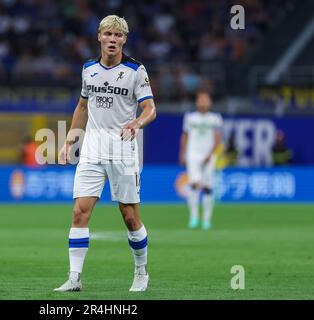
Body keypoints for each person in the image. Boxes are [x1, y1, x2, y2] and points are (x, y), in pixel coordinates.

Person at [54, 15, 156, 292]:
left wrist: (137, 122)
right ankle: (75, 278)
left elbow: (150, 109)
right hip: (92, 149)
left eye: (118, 35)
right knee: (79, 212)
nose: (113, 40)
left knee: (129, 216)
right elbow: (82, 107)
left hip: (122, 149)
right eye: (108, 34)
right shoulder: (88, 69)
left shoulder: (136, 71)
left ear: (124, 40)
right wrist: (68, 143)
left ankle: (140, 272)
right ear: (99, 36)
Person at [179, 90, 222, 230]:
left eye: (206, 99)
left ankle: (206, 219)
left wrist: (211, 153)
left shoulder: (215, 118)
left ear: (210, 102)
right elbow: (184, 136)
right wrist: (182, 153)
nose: (203, 102)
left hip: (208, 155)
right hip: (193, 154)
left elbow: (217, 138)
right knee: (194, 184)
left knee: (208, 187)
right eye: (201, 99)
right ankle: (194, 217)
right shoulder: (190, 118)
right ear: (197, 102)